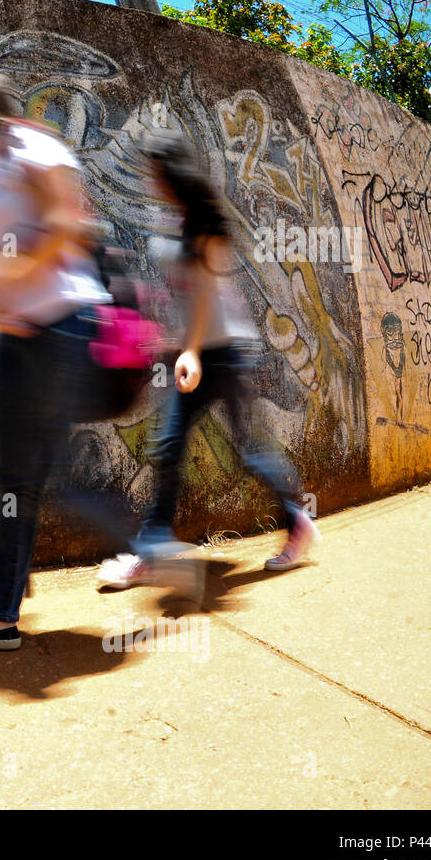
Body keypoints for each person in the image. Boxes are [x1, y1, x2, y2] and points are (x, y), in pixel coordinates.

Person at [0, 66, 114, 650]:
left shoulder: (33, 145)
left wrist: (10, 278)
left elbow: (69, 224)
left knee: (35, 475)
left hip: (59, 327)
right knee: (23, 476)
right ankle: (4, 611)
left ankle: (151, 544)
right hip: (25, 335)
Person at [102, 131, 319, 588]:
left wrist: (192, 351)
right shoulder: (191, 220)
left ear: (171, 174)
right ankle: (296, 520)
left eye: (155, 174)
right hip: (221, 350)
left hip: (217, 353)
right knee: (240, 449)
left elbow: (203, 295)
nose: (151, 183)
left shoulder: (201, 221)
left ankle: (151, 550)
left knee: (173, 445)